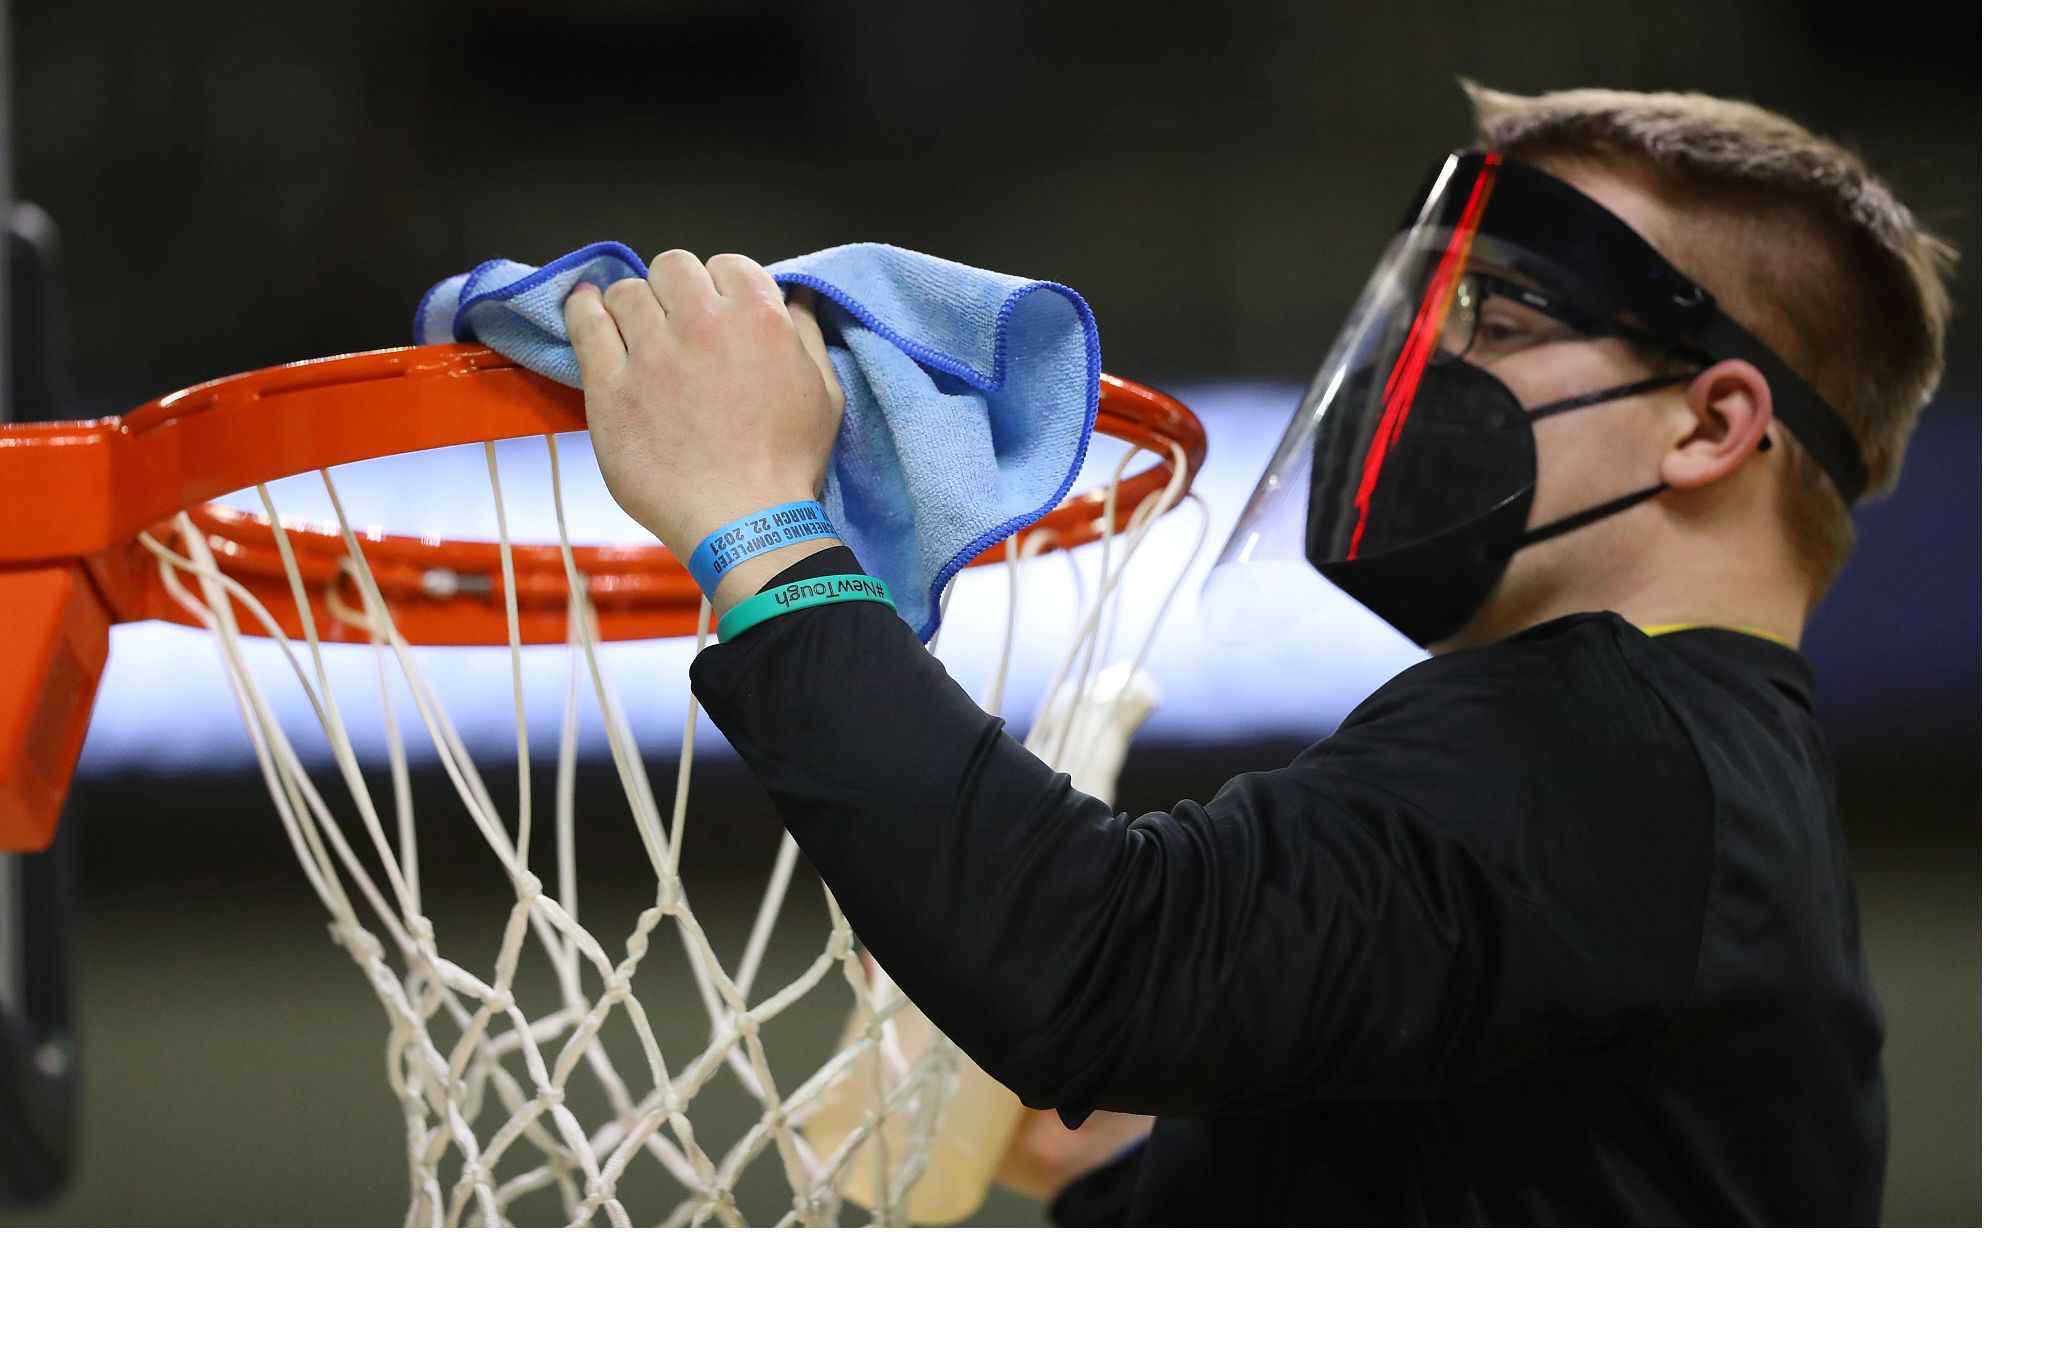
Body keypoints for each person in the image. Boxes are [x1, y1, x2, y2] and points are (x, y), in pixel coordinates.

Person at [560, 82, 1954, 1225]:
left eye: (1505, 324)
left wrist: (759, 520)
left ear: (1711, 426)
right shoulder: (1693, 775)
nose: (1427, 368)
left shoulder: (1610, 733)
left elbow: (1092, 957)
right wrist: (1112, 1162)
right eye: (1432, 319)